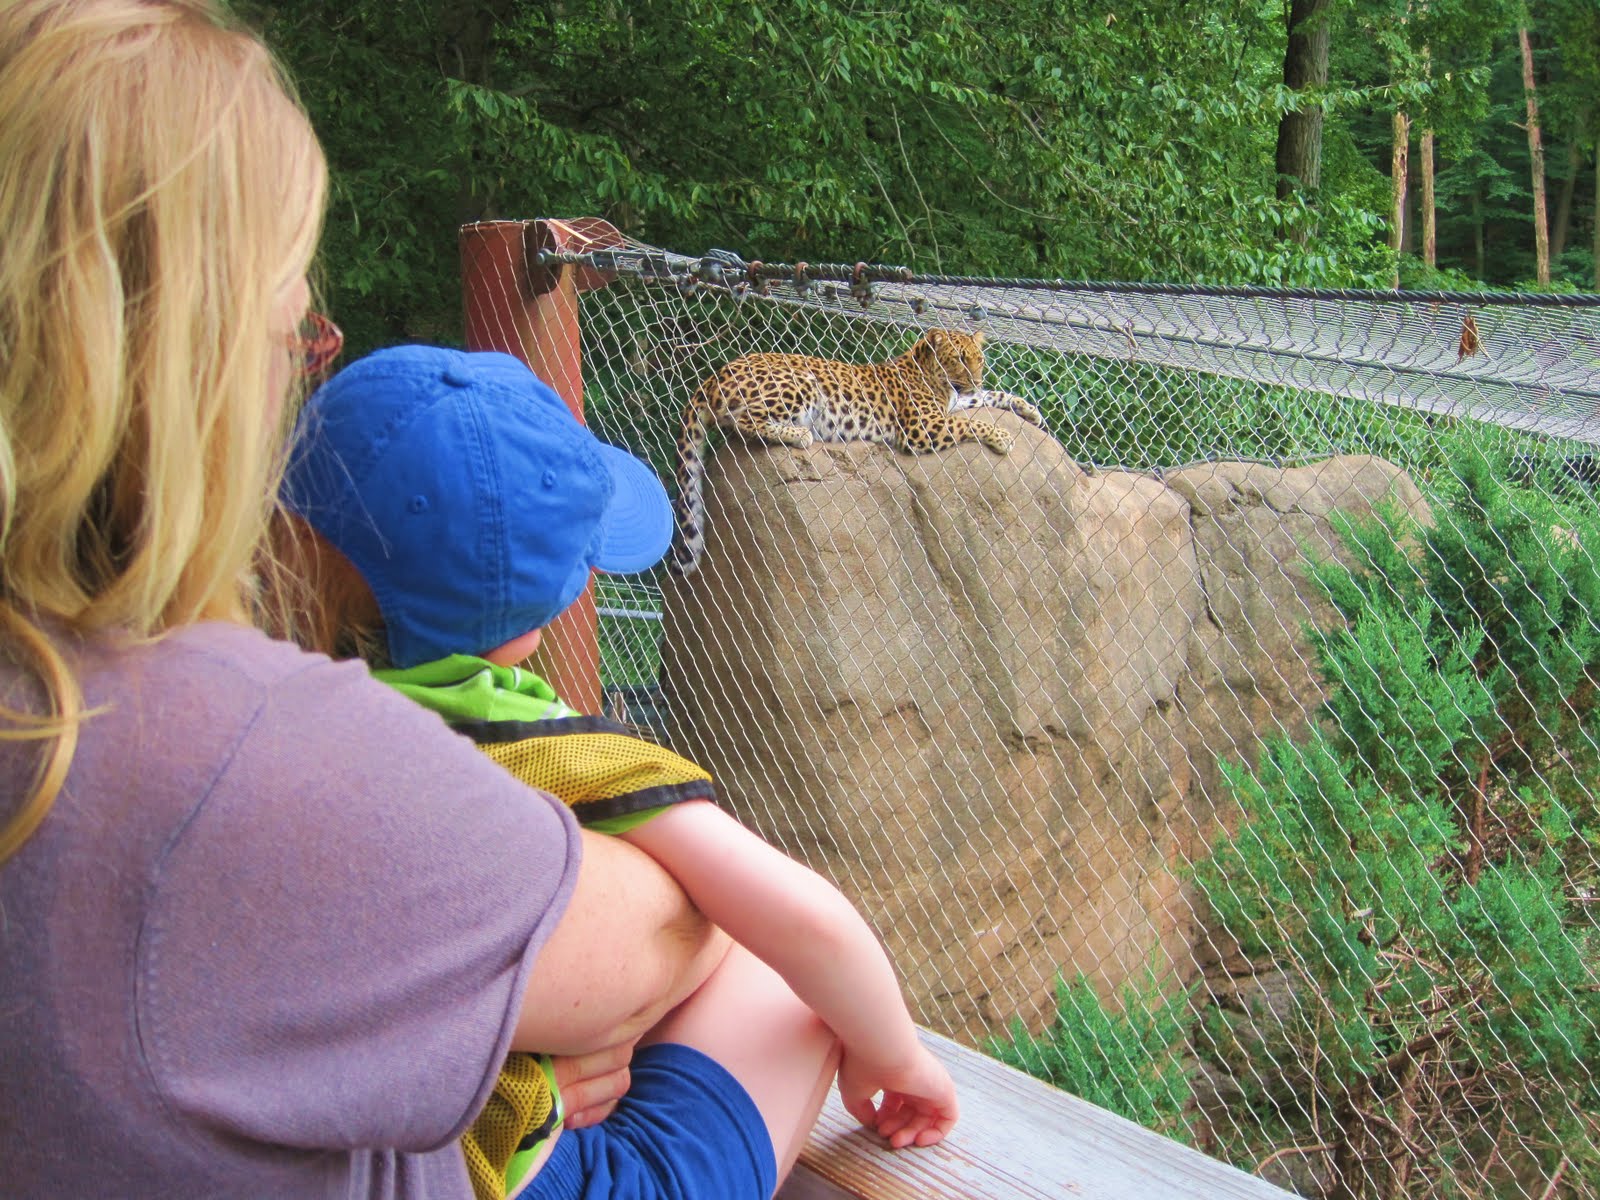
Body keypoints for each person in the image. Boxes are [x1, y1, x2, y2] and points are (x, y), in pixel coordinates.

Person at [0, 2, 835, 1197]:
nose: (299, 371)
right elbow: (678, 926)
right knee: (775, 989)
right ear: (184, 374)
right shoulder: (259, 751)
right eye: (293, 336)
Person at [281, 345, 961, 1200]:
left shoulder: (271, 713)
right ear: (540, 615)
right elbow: (814, 926)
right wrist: (899, 1057)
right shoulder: (550, 748)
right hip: (498, 1175)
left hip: (368, 1133)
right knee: (782, 979)